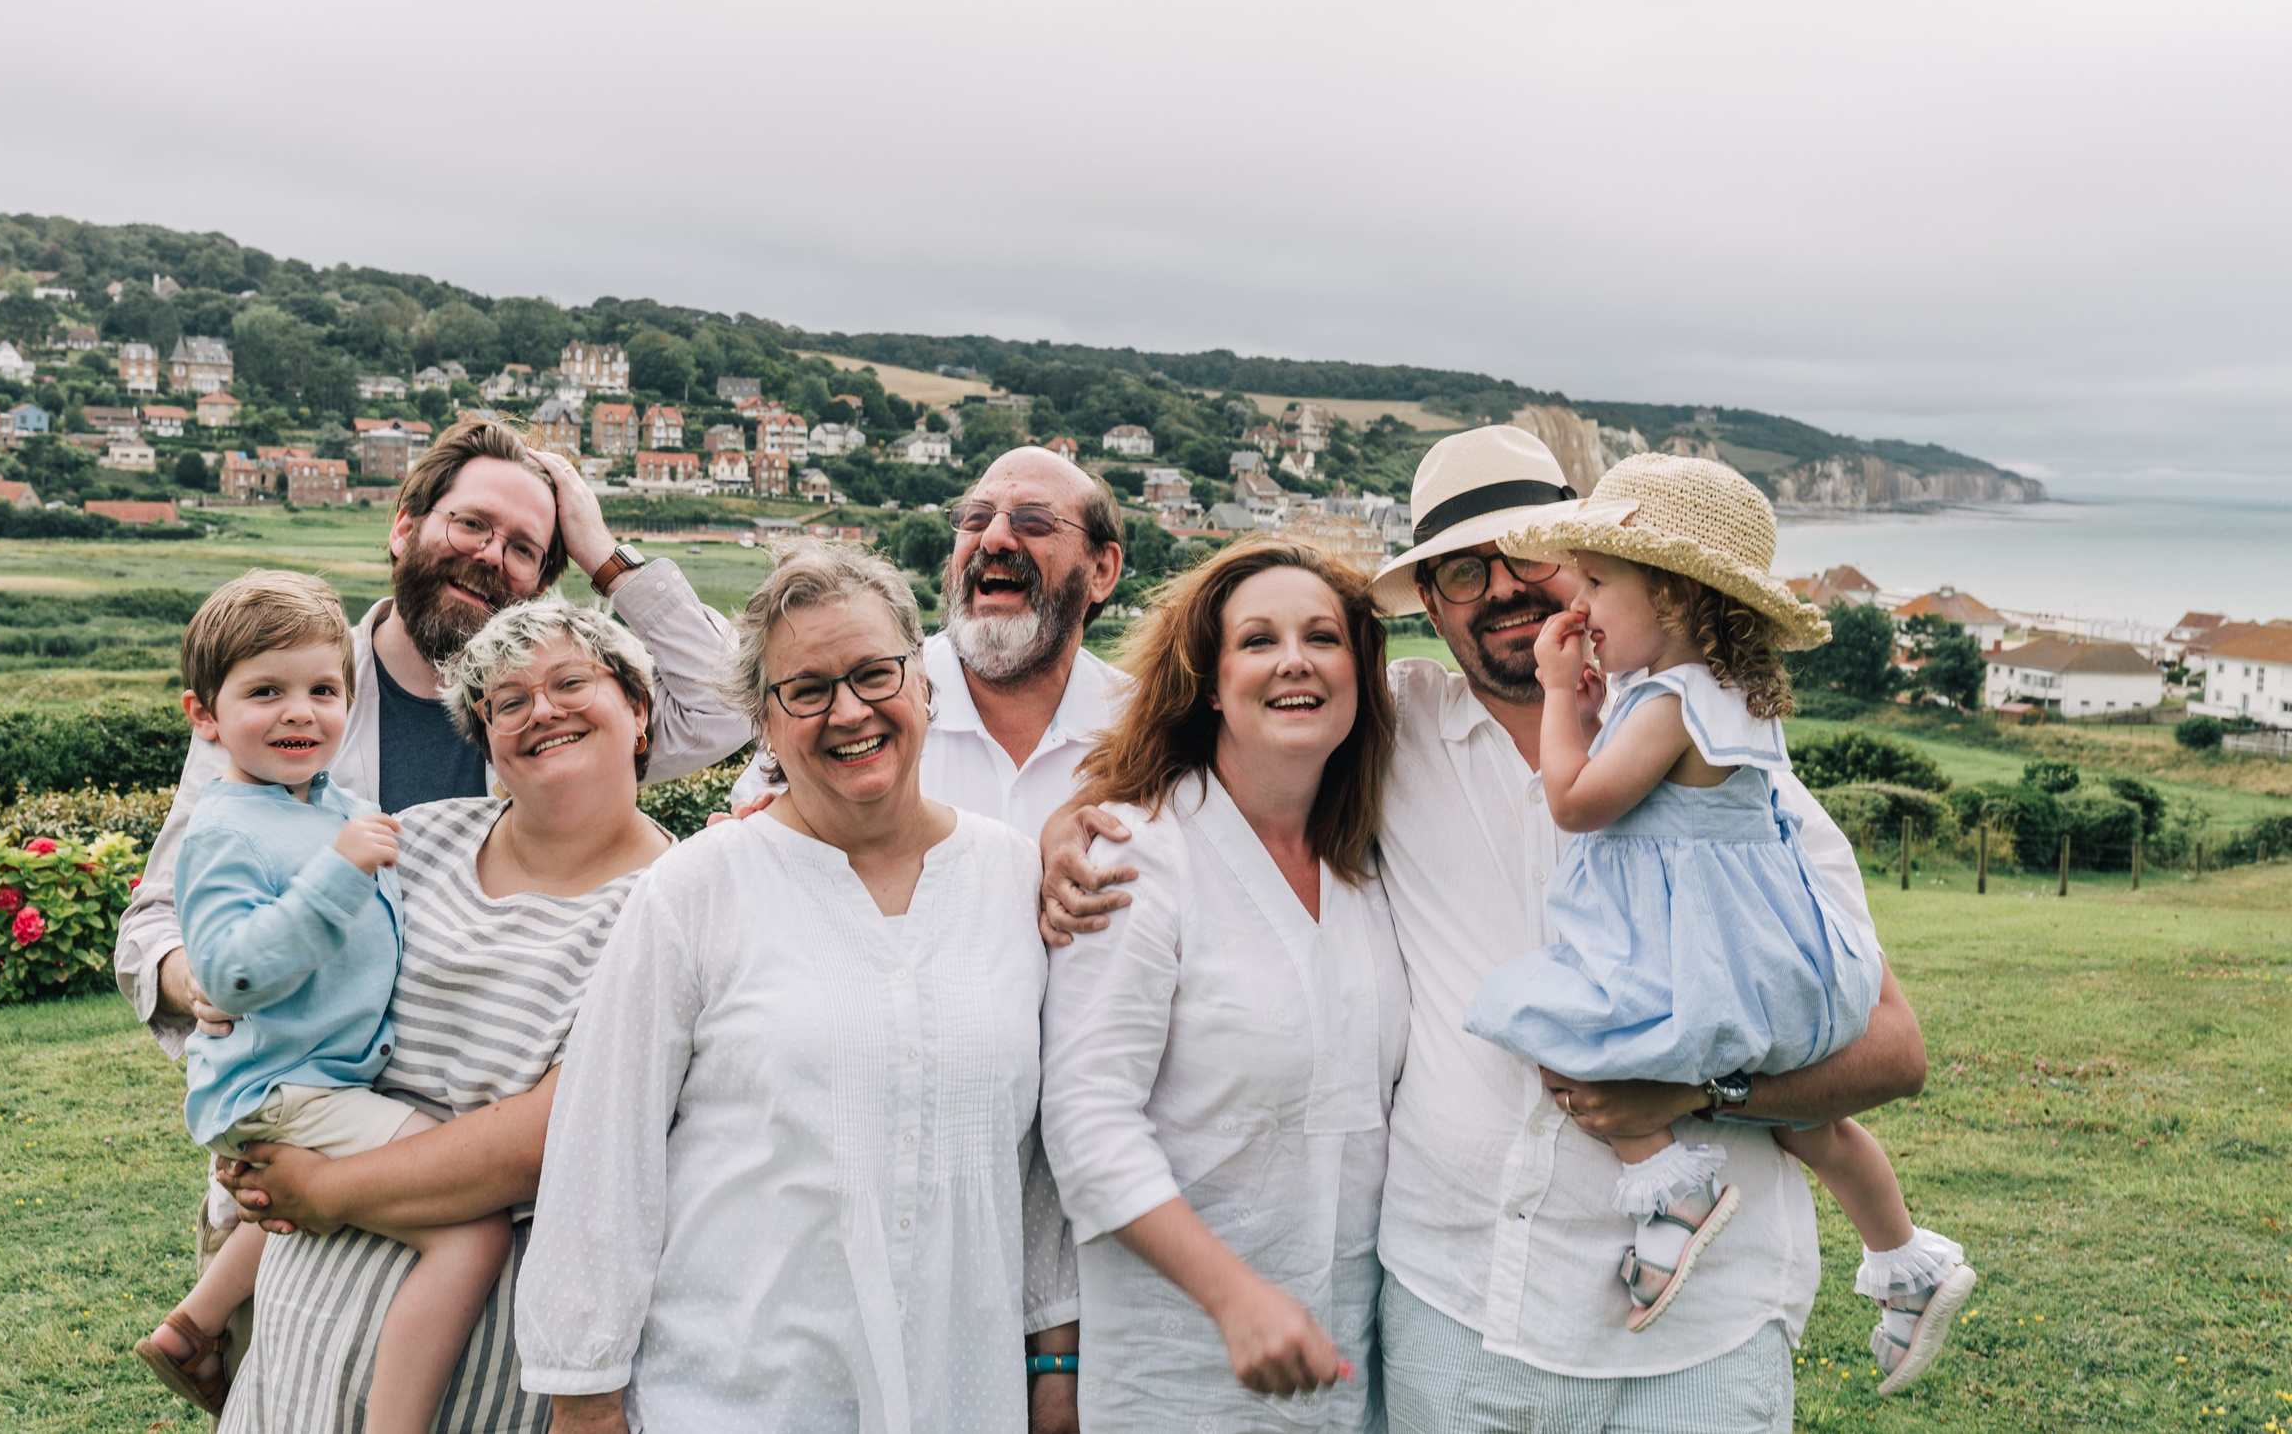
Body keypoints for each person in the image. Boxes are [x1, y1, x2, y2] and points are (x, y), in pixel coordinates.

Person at [1044, 426, 1932, 1434]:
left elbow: (1893, 1052)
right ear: (1429, 601)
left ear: (1595, 566)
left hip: (1700, 1336)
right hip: (1452, 1307)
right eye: (1462, 570)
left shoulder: (1725, 774)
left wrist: (1694, 1088)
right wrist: (1069, 822)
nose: (1504, 585)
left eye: (1528, 549)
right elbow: (1214, 727)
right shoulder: (1386, 729)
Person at [519, 541, 1073, 1432]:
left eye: (874, 673)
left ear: (924, 683)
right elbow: (602, 1155)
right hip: (737, 1393)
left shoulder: (1011, 877)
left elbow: (1039, 1158)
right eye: (806, 689)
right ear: (766, 724)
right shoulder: (696, 889)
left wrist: (1055, 1358)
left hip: (961, 1389)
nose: (848, 710)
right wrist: (585, 1399)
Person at [1462, 455, 1973, 1381]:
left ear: (1675, 594)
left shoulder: (1671, 702)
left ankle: (1672, 1187)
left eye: (1601, 580)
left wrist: (1554, 697)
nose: (1578, 601)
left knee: (1556, 1024)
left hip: (1698, 952)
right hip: (1768, 947)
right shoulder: (1720, 695)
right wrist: (1595, 700)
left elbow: (1575, 804)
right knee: (1807, 1124)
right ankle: (1905, 1258)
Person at [117, 413, 748, 1056]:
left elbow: (726, 705)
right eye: (471, 523)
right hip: (305, 1095)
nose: (490, 555)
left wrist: (606, 557)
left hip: (481, 1099)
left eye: (524, 549)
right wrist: (199, 981)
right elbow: (158, 915)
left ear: (537, 588)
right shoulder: (279, 709)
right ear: (404, 527)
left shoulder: (552, 729)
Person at [206, 596, 678, 1432]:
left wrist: (324, 1185)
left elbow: (551, 1136)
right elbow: (280, 952)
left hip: (477, 1363)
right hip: (298, 1327)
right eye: (507, 700)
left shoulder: (672, 901)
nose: (543, 711)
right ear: (487, 742)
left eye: (572, 681)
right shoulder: (413, 840)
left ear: (637, 709)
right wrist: (206, 986)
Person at [1040, 540, 1408, 1430]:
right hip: (1184, 1372)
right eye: (1258, 639)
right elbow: (1087, 1120)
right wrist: (1235, 1297)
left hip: (1345, 1368)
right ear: (1209, 682)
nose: (1295, 659)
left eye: (1323, 636)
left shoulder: (1371, 865)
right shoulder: (1138, 856)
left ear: (1359, 675)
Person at [133, 570, 510, 1427]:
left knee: (310, 1196)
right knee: (471, 1217)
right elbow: (226, 973)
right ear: (205, 715)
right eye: (266, 691)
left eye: (323, 690)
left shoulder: (331, 803)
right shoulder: (228, 828)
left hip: (319, 1075)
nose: (300, 712)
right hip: (284, 1087)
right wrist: (340, 870)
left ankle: (195, 1322)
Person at [729, 443, 1129, 836]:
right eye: (975, 517)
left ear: (1101, 571)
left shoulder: (1151, 728)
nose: (993, 538)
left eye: (1034, 521)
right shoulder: (867, 708)